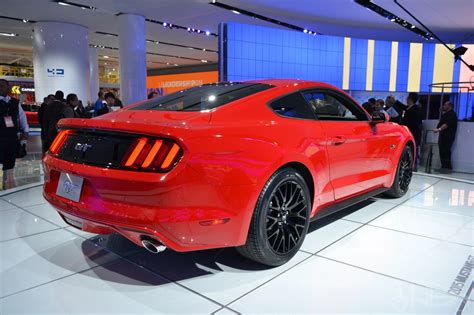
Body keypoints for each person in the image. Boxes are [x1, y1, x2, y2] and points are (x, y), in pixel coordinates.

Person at [0, 79, 29, 189]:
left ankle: (6, 186)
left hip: (12, 138)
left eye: (3, 86)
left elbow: (22, 119)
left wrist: (25, 134)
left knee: (10, 163)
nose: (1, 88)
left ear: (8, 88)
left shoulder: (14, 103)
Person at [395, 93, 423, 170]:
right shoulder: (411, 108)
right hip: (412, 133)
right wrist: (395, 101)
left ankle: (412, 166)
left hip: (413, 134)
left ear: (410, 99)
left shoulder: (415, 109)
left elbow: (411, 122)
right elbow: (404, 107)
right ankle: (410, 166)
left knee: (412, 150)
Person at [434, 101, 458, 173]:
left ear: (450, 106)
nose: (443, 106)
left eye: (445, 105)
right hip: (443, 136)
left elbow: (446, 124)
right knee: (442, 151)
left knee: (445, 152)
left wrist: (439, 129)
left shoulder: (452, 115)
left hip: (447, 137)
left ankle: (447, 168)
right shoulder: (446, 114)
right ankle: (444, 167)